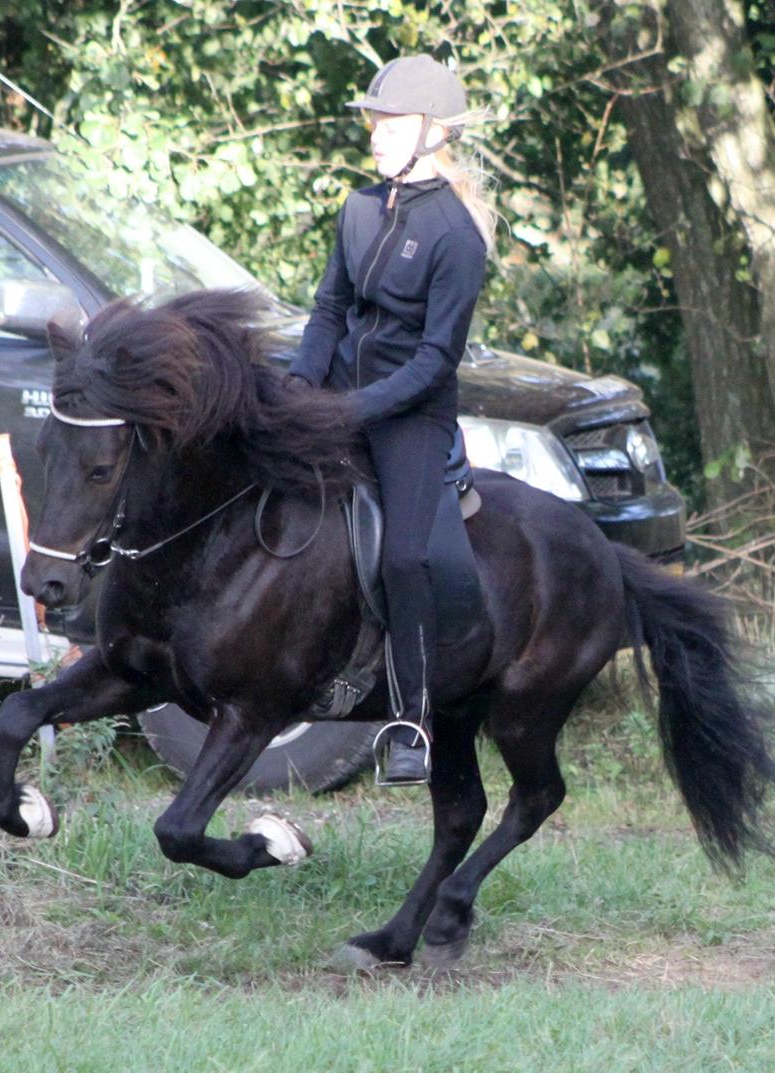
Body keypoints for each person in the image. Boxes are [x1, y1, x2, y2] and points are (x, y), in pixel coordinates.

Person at [289, 54, 496, 785]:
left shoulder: (456, 236)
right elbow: (329, 311)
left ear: (434, 132)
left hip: (411, 415)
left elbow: (434, 363)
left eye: (391, 122)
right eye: (374, 121)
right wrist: (297, 386)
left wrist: (351, 407)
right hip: (341, 389)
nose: (375, 133)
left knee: (406, 557)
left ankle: (412, 719)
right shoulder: (357, 209)